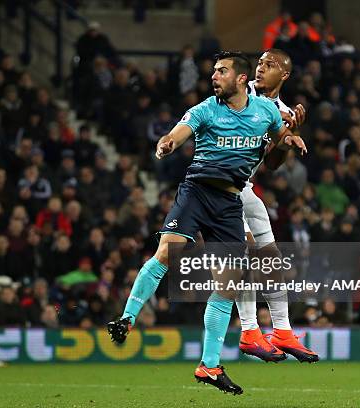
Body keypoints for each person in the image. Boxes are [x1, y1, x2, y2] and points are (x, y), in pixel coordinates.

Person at [108, 51, 306, 395]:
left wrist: (288, 139)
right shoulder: (205, 109)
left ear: (240, 79)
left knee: (229, 283)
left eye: (222, 71)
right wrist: (168, 142)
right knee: (169, 251)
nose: (214, 76)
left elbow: (273, 157)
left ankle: (210, 366)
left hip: (230, 201)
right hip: (197, 192)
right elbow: (180, 131)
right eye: (214, 71)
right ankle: (126, 318)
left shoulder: (265, 113)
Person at [237, 49, 319, 363]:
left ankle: (283, 332)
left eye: (269, 65)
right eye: (259, 63)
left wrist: (290, 132)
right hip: (218, 187)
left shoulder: (282, 110)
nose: (260, 68)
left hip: (244, 187)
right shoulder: (239, 93)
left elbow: (271, 164)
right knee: (243, 251)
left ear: (284, 75)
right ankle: (248, 332)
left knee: (271, 260)